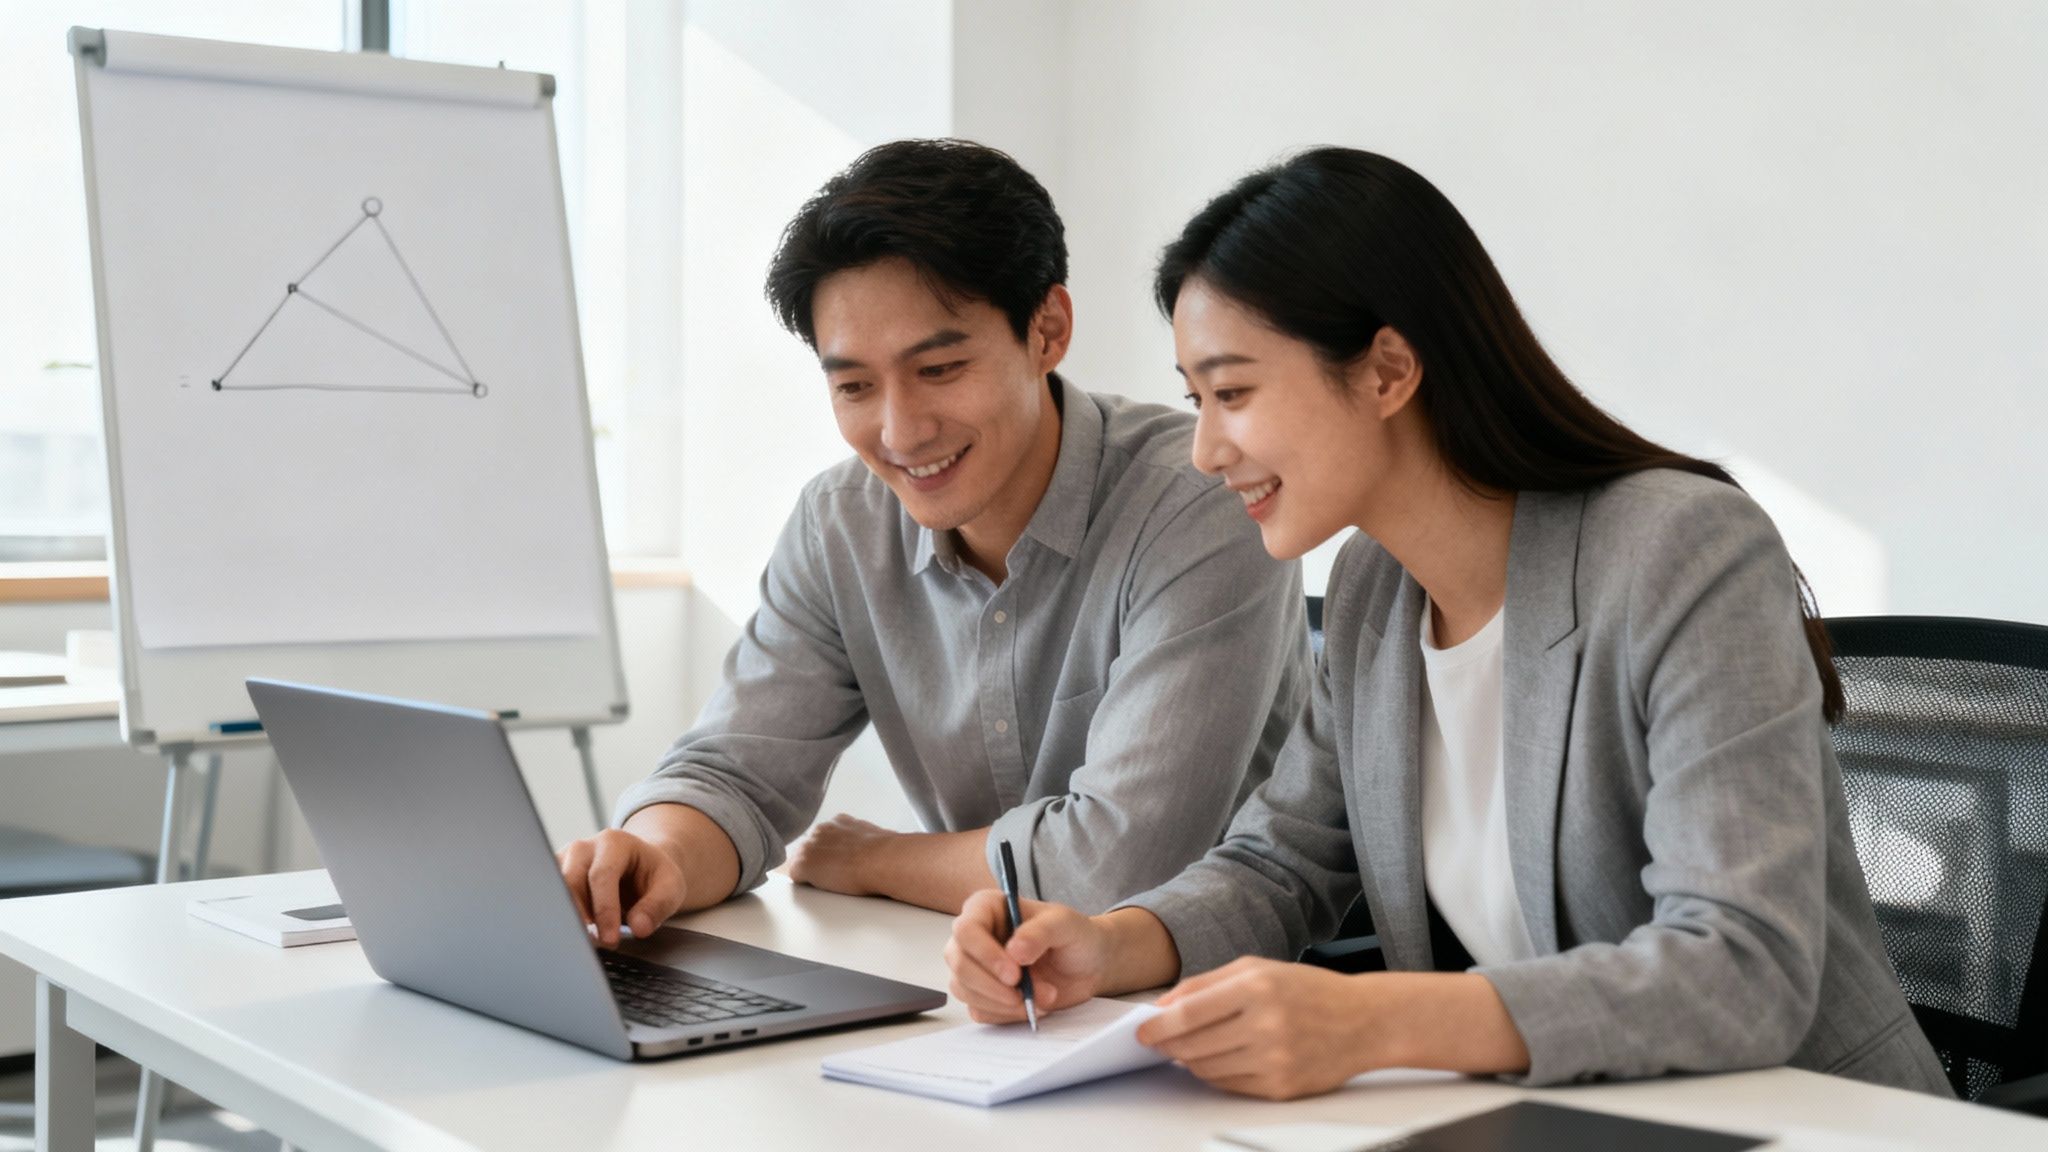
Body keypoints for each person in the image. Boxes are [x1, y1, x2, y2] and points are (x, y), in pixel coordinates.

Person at [943, 147, 1951, 1100]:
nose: (1204, 450)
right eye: (1193, 399)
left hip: (1807, 1121)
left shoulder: (1679, 551)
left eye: (1233, 392)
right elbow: (1280, 862)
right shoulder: (1377, 588)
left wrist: (1371, 1022)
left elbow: (1740, 967)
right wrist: (1106, 945)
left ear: (1386, 370)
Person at [558, 140, 1309, 942]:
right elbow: (735, 774)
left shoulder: (1198, 500)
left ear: (1047, 330)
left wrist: (876, 860)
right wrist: (657, 855)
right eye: (853, 386)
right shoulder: (841, 522)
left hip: (1219, 995)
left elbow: (1118, 868)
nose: (900, 431)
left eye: (941, 369)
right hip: (995, 984)